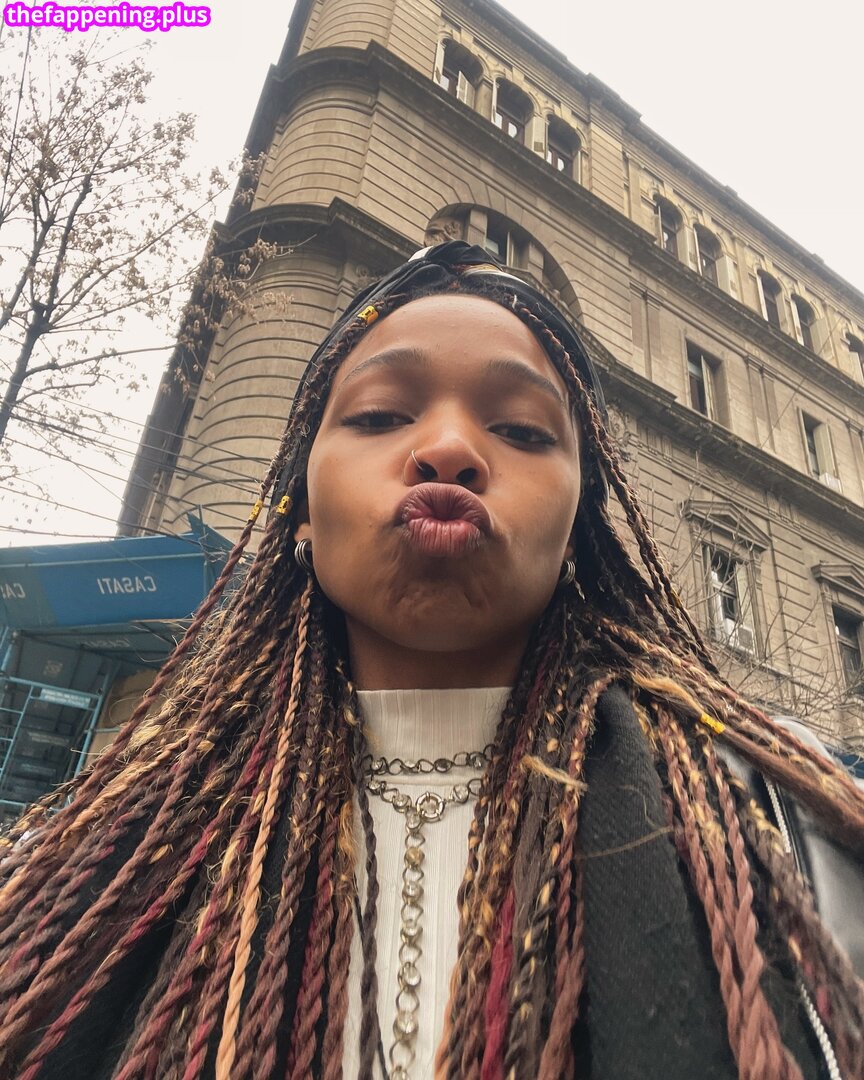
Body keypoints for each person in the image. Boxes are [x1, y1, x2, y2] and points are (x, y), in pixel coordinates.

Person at [0, 241, 862, 1080]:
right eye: (379, 416)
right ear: (301, 510)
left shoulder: (786, 819)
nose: (448, 449)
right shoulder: (80, 861)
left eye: (521, 429)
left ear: (577, 532)